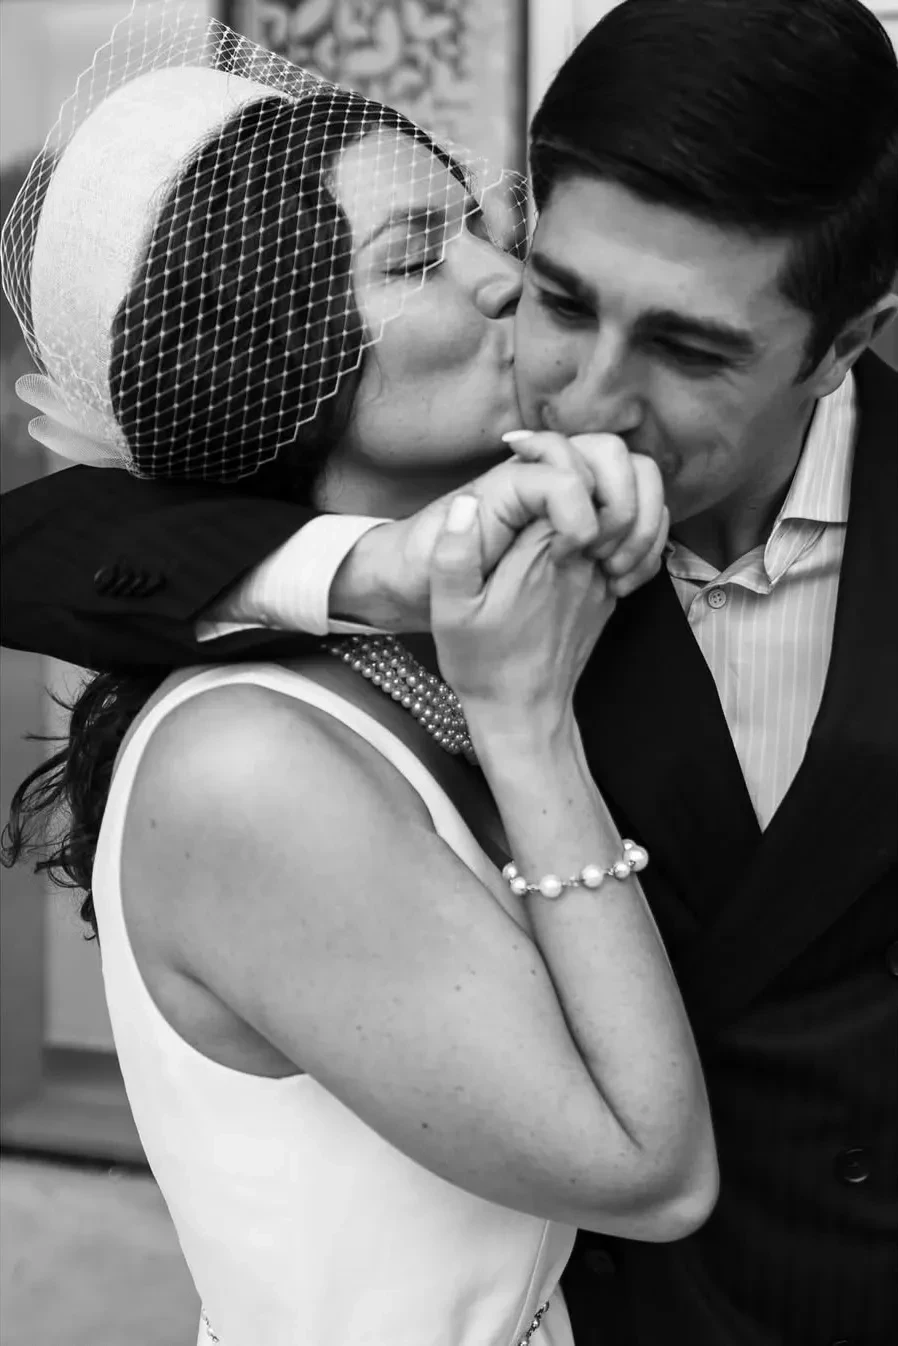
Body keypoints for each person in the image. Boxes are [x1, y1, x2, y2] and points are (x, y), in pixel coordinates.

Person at [2, 0, 897, 1342]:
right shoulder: (460, 546)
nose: (583, 386)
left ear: (842, 343)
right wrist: (364, 566)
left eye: (690, 346)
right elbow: (45, 539)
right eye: (559, 292)